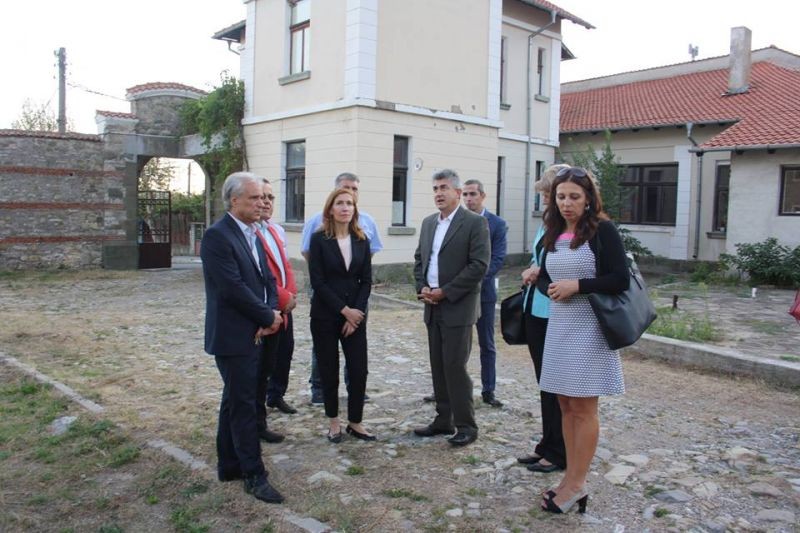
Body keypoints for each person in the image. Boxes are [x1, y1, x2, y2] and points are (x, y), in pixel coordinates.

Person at [535, 166, 629, 514]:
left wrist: (578, 286)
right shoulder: (554, 231)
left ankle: (577, 484)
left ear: (589, 199)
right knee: (565, 405)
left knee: (584, 408)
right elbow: (546, 275)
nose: (566, 203)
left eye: (574, 197)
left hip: (589, 329)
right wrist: (548, 286)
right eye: (561, 197)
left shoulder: (602, 231)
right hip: (560, 327)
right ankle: (569, 478)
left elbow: (619, 279)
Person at [201, 171, 285, 504]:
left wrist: (272, 313)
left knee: (234, 401)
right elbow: (231, 288)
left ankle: (229, 465)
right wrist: (266, 317)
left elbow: (266, 279)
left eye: (264, 197)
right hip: (234, 335)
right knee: (244, 406)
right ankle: (254, 475)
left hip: (258, 329)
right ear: (234, 200)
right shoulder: (217, 236)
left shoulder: (253, 232)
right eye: (254, 197)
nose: (262, 203)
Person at [413, 169, 490, 447]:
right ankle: (443, 419)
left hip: (458, 305)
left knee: (455, 366)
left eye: (444, 188)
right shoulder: (428, 223)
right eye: (435, 188)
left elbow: (479, 265)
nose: (438, 193)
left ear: (457, 192)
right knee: (438, 364)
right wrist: (422, 286)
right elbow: (420, 259)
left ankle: (466, 425)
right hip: (432, 305)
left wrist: (446, 291)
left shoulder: (474, 223)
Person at [301, 172, 383, 405]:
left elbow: (368, 256)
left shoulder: (367, 222)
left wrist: (352, 305)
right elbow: (308, 253)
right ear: (334, 192)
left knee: (354, 340)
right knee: (324, 345)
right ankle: (319, 387)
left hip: (355, 292)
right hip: (326, 290)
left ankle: (354, 386)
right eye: (346, 189)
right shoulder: (316, 222)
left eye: (354, 190)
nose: (350, 194)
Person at [308, 188, 375, 442]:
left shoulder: (362, 240)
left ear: (355, 209)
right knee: (329, 369)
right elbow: (318, 281)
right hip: (325, 315)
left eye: (350, 203)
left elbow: (366, 281)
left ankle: (355, 422)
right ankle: (334, 422)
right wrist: (344, 311)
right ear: (330, 209)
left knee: (359, 370)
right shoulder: (319, 239)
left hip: (355, 316)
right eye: (340, 203)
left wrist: (355, 314)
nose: (345, 207)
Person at [517, 164, 570, 475]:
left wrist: (539, 270)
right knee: (545, 383)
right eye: (547, 193)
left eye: (549, 192)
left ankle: (559, 451)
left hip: (556, 313)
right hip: (536, 308)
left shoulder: (569, 227)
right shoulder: (548, 222)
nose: (546, 198)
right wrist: (531, 268)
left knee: (556, 386)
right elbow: (538, 257)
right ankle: (547, 444)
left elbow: (568, 265)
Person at [256, 179, 299, 416]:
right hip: (266, 306)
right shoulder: (250, 232)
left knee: (284, 352)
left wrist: (291, 294)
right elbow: (260, 274)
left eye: (270, 198)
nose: (266, 202)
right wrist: (283, 298)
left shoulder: (276, 230)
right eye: (261, 197)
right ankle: (258, 404)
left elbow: (285, 266)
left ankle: (276, 395)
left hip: (285, 306)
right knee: (264, 359)